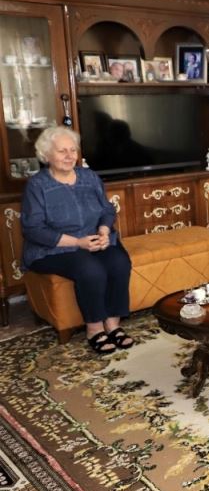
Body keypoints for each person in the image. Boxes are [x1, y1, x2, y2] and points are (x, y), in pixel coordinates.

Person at [21, 126, 134, 355]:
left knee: (119, 262)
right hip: (52, 248)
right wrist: (77, 243)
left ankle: (113, 325)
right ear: (46, 155)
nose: (69, 155)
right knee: (90, 269)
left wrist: (103, 231)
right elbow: (33, 229)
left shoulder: (89, 177)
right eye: (62, 151)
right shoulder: (37, 185)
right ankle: (94, 329)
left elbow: (107, 210)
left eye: (73, 150)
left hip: (93, 240)